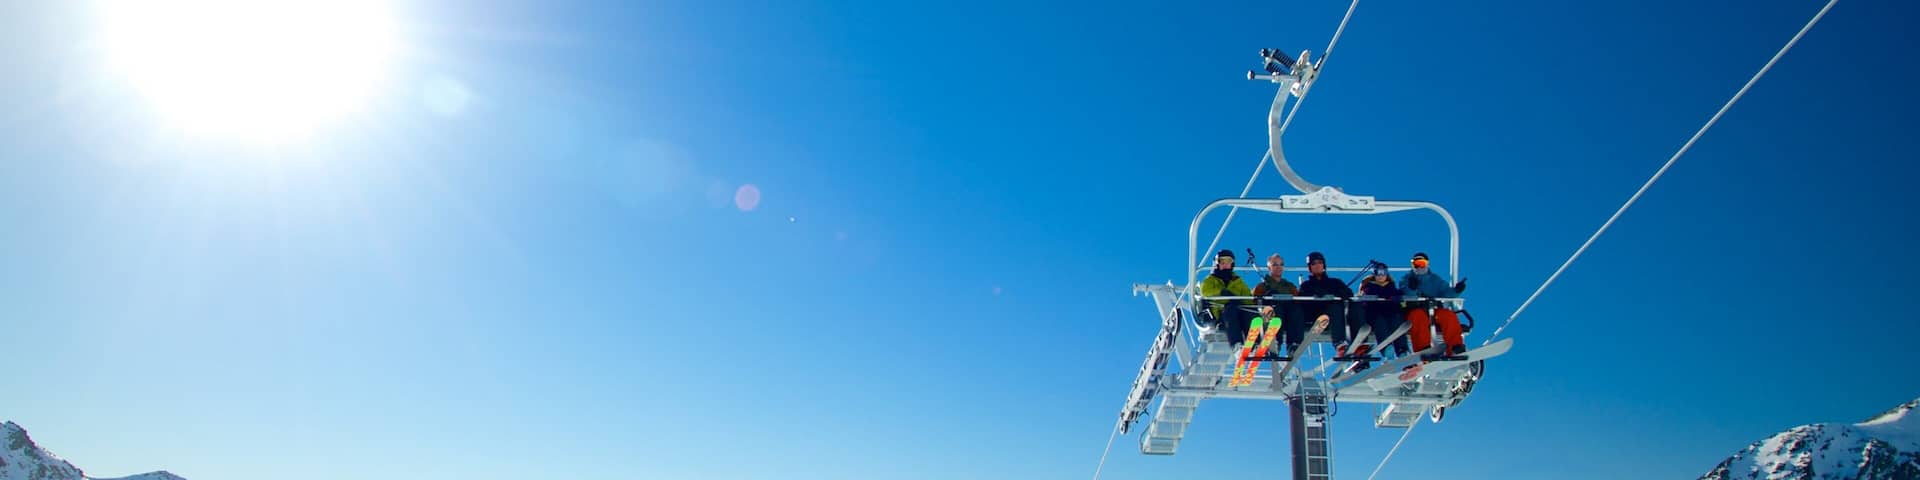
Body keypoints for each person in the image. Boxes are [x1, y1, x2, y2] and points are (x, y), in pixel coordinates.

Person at [1401, 252, 1469, 357]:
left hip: (1433, 310)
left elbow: (1446, 293)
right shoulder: (1407, 278)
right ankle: (1423, 349)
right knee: (1418, 316)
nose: (1419, 267)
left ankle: (1455, 347)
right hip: (1415, 309)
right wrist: (1412, 288)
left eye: (1422, 263)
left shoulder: (1434, 279)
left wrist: (1456, 290)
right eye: (1416, 264)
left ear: (1427, 264)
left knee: (1448, 315)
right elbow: (1405, 293)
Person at [1296, 251, 1353, 355]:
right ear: (1310, 267)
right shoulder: (1306, 285)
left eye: (1320, 262)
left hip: (1336, 317)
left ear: (1324, 265)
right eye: (1313, 263)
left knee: (1340, 308)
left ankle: (1357, 345)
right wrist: (1315, 296)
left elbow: (1349, 294)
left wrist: (1339, 294)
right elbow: (1302, 303)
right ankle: (1339, 343)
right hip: (1316, 318)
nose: (1317, 265)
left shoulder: (1335, 282)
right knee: (1334, 308)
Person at [1352, 264, 1406, 371]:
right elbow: (1367, 296)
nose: (1381, 276)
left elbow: (1398, 295)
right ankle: (1387, 350)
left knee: (1396, 321)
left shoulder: (1391, 286)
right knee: (1380, 323)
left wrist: (1398, 298)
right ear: (1374, 275)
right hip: (1375, 313)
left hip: (1390, 313)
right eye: (1378, 273)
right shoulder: (1369, 287)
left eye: (1383, 273)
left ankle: (1402, 350)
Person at [1199, 249, 1255, 345]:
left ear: (1232, 264)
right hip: (1221, 314)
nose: (1225, 264)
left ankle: (1254, 342)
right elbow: (1205, 292)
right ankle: (1237, 344)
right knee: (1231, 310)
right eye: (1222, 261)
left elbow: (1247, 297)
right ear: (1217, 264)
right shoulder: (1210, 280)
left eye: (1228, 261)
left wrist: (1254, 307)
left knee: (1249, 313)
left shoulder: (1237, 281)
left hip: (1239, 310)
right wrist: (1222, 292)